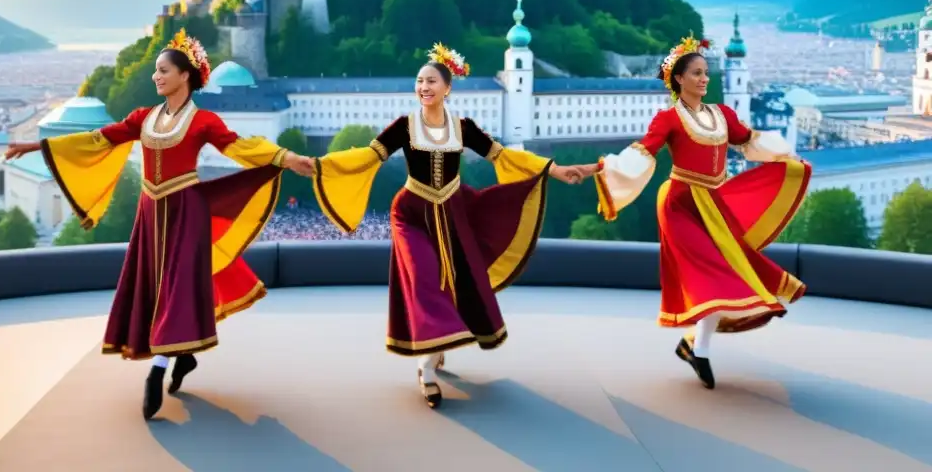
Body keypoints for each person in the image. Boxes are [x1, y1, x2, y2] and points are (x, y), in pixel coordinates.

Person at [4, 29, 315, 419]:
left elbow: (241, 147)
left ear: (185, 75)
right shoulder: (143, 118)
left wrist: (285, 158)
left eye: (163, 70)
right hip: (150, 214)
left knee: (177, 291)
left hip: (187, 213)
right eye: (155, 70)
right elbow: (98, 139)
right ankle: (182, 354)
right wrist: (38, 146)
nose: (156, 76)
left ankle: (157, 370)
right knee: (157, 291)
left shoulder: (203, 121)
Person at [311, 43, 589, 408]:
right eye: (419, 81)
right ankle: (427, 372)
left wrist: (552, 169)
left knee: (455, 283)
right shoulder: (404, 126)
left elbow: (504, 156)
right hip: (410, 213)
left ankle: (438, 347)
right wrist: (320, 164)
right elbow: (367, 156)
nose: (423, 87)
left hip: (455, 210)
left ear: (447, 87)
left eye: (430, 81)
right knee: (425, 278)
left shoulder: (463, 128)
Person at [578, 34, 811, 389]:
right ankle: (697, 350)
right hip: (679, 203)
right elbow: (643, 153)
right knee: (712, 274)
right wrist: (602, 169)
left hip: (714, 205)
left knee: (725, 273)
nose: (704, 79)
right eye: (697, 73)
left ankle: (694, 347)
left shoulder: (722, 115)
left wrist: (787, 157)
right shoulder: (669, 119)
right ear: (679, 80)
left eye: (706, 72)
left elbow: (749, 140)